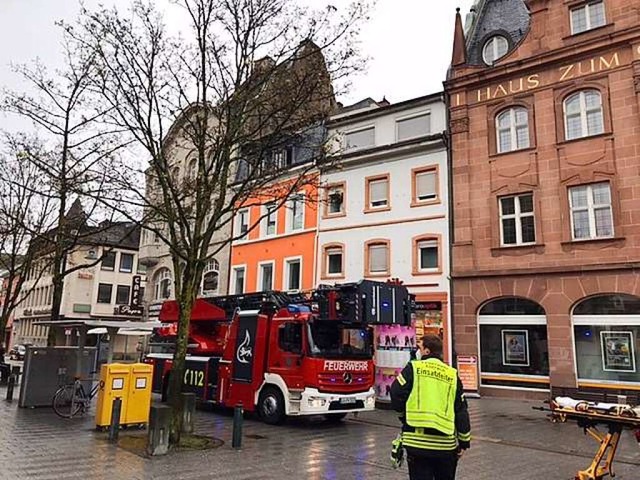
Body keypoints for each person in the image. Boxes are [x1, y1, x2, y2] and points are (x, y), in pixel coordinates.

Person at [390, 334, 471, 480]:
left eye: (419, 347)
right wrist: (464, 442)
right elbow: (461, 410)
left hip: (416, 443)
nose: (417, 351)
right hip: (445, 446)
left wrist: (404, 417)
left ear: (427, 351)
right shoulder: (452, 374)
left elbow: (396, 394)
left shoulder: (413, 368)